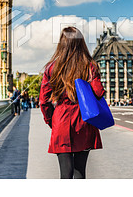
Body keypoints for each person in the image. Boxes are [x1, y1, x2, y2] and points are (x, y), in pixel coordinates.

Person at [39, 27, 105, 179]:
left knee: (65, 174)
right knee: (80, 172)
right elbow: (99, 93)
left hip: (61, 120)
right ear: (81, 43)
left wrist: (51, 121)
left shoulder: (51, 68)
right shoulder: (90, 66)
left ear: (62, 44)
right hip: (84, 120)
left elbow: (44, 101)